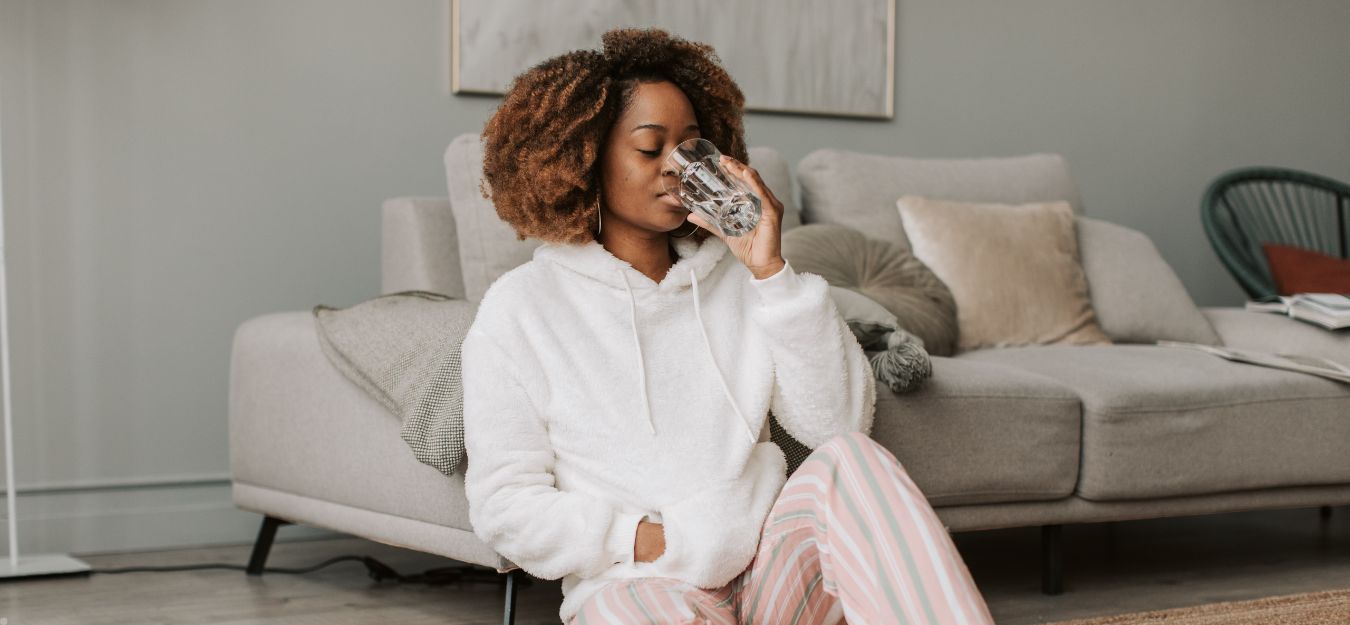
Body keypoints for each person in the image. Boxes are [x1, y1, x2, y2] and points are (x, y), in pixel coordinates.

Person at [461, 27, 996, 625]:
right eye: (649, 147)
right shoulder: (523, 308)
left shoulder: (742, 283)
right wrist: (647, 540)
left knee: (851, 460)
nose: (678, 166)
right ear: (585, 159)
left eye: (692, 146)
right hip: (640, 585)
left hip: (769, 568)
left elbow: (837, 424)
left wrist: (771, 271)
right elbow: (504, 505)